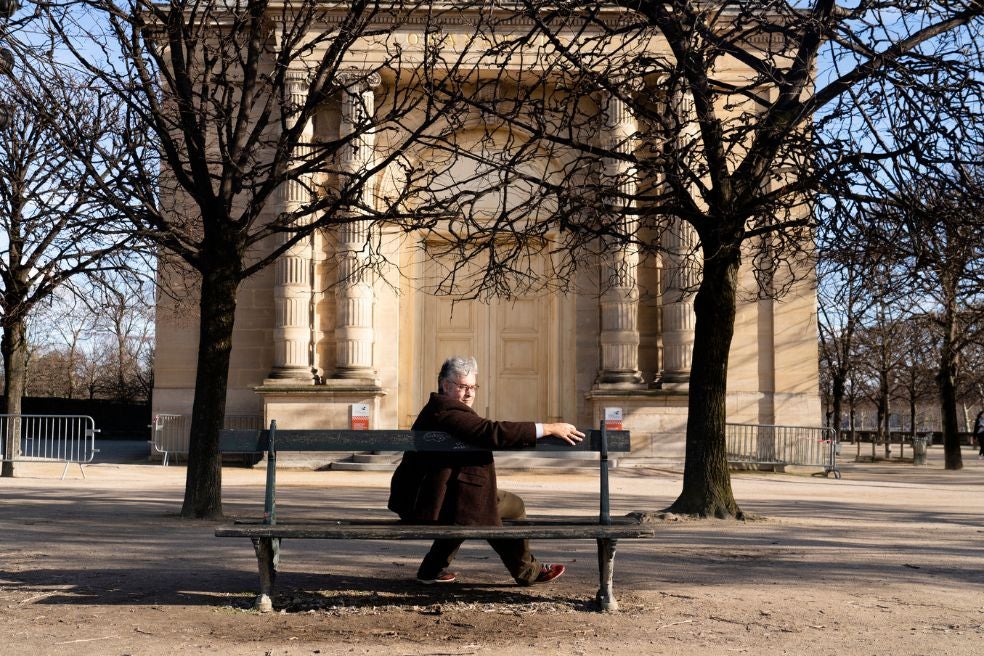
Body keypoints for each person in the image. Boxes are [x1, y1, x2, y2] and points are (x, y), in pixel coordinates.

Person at [388, 355, 585, 586]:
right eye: (463, 387)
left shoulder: (441, 409)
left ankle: (431, 570)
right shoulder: (446, 412)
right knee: (502, 507)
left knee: (472, 504)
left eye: (473, 387)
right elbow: (490, 432)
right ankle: (528, 571)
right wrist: (547, 428)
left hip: (433, 498)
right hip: (426, 503)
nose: (469, 393)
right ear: (445, 385)